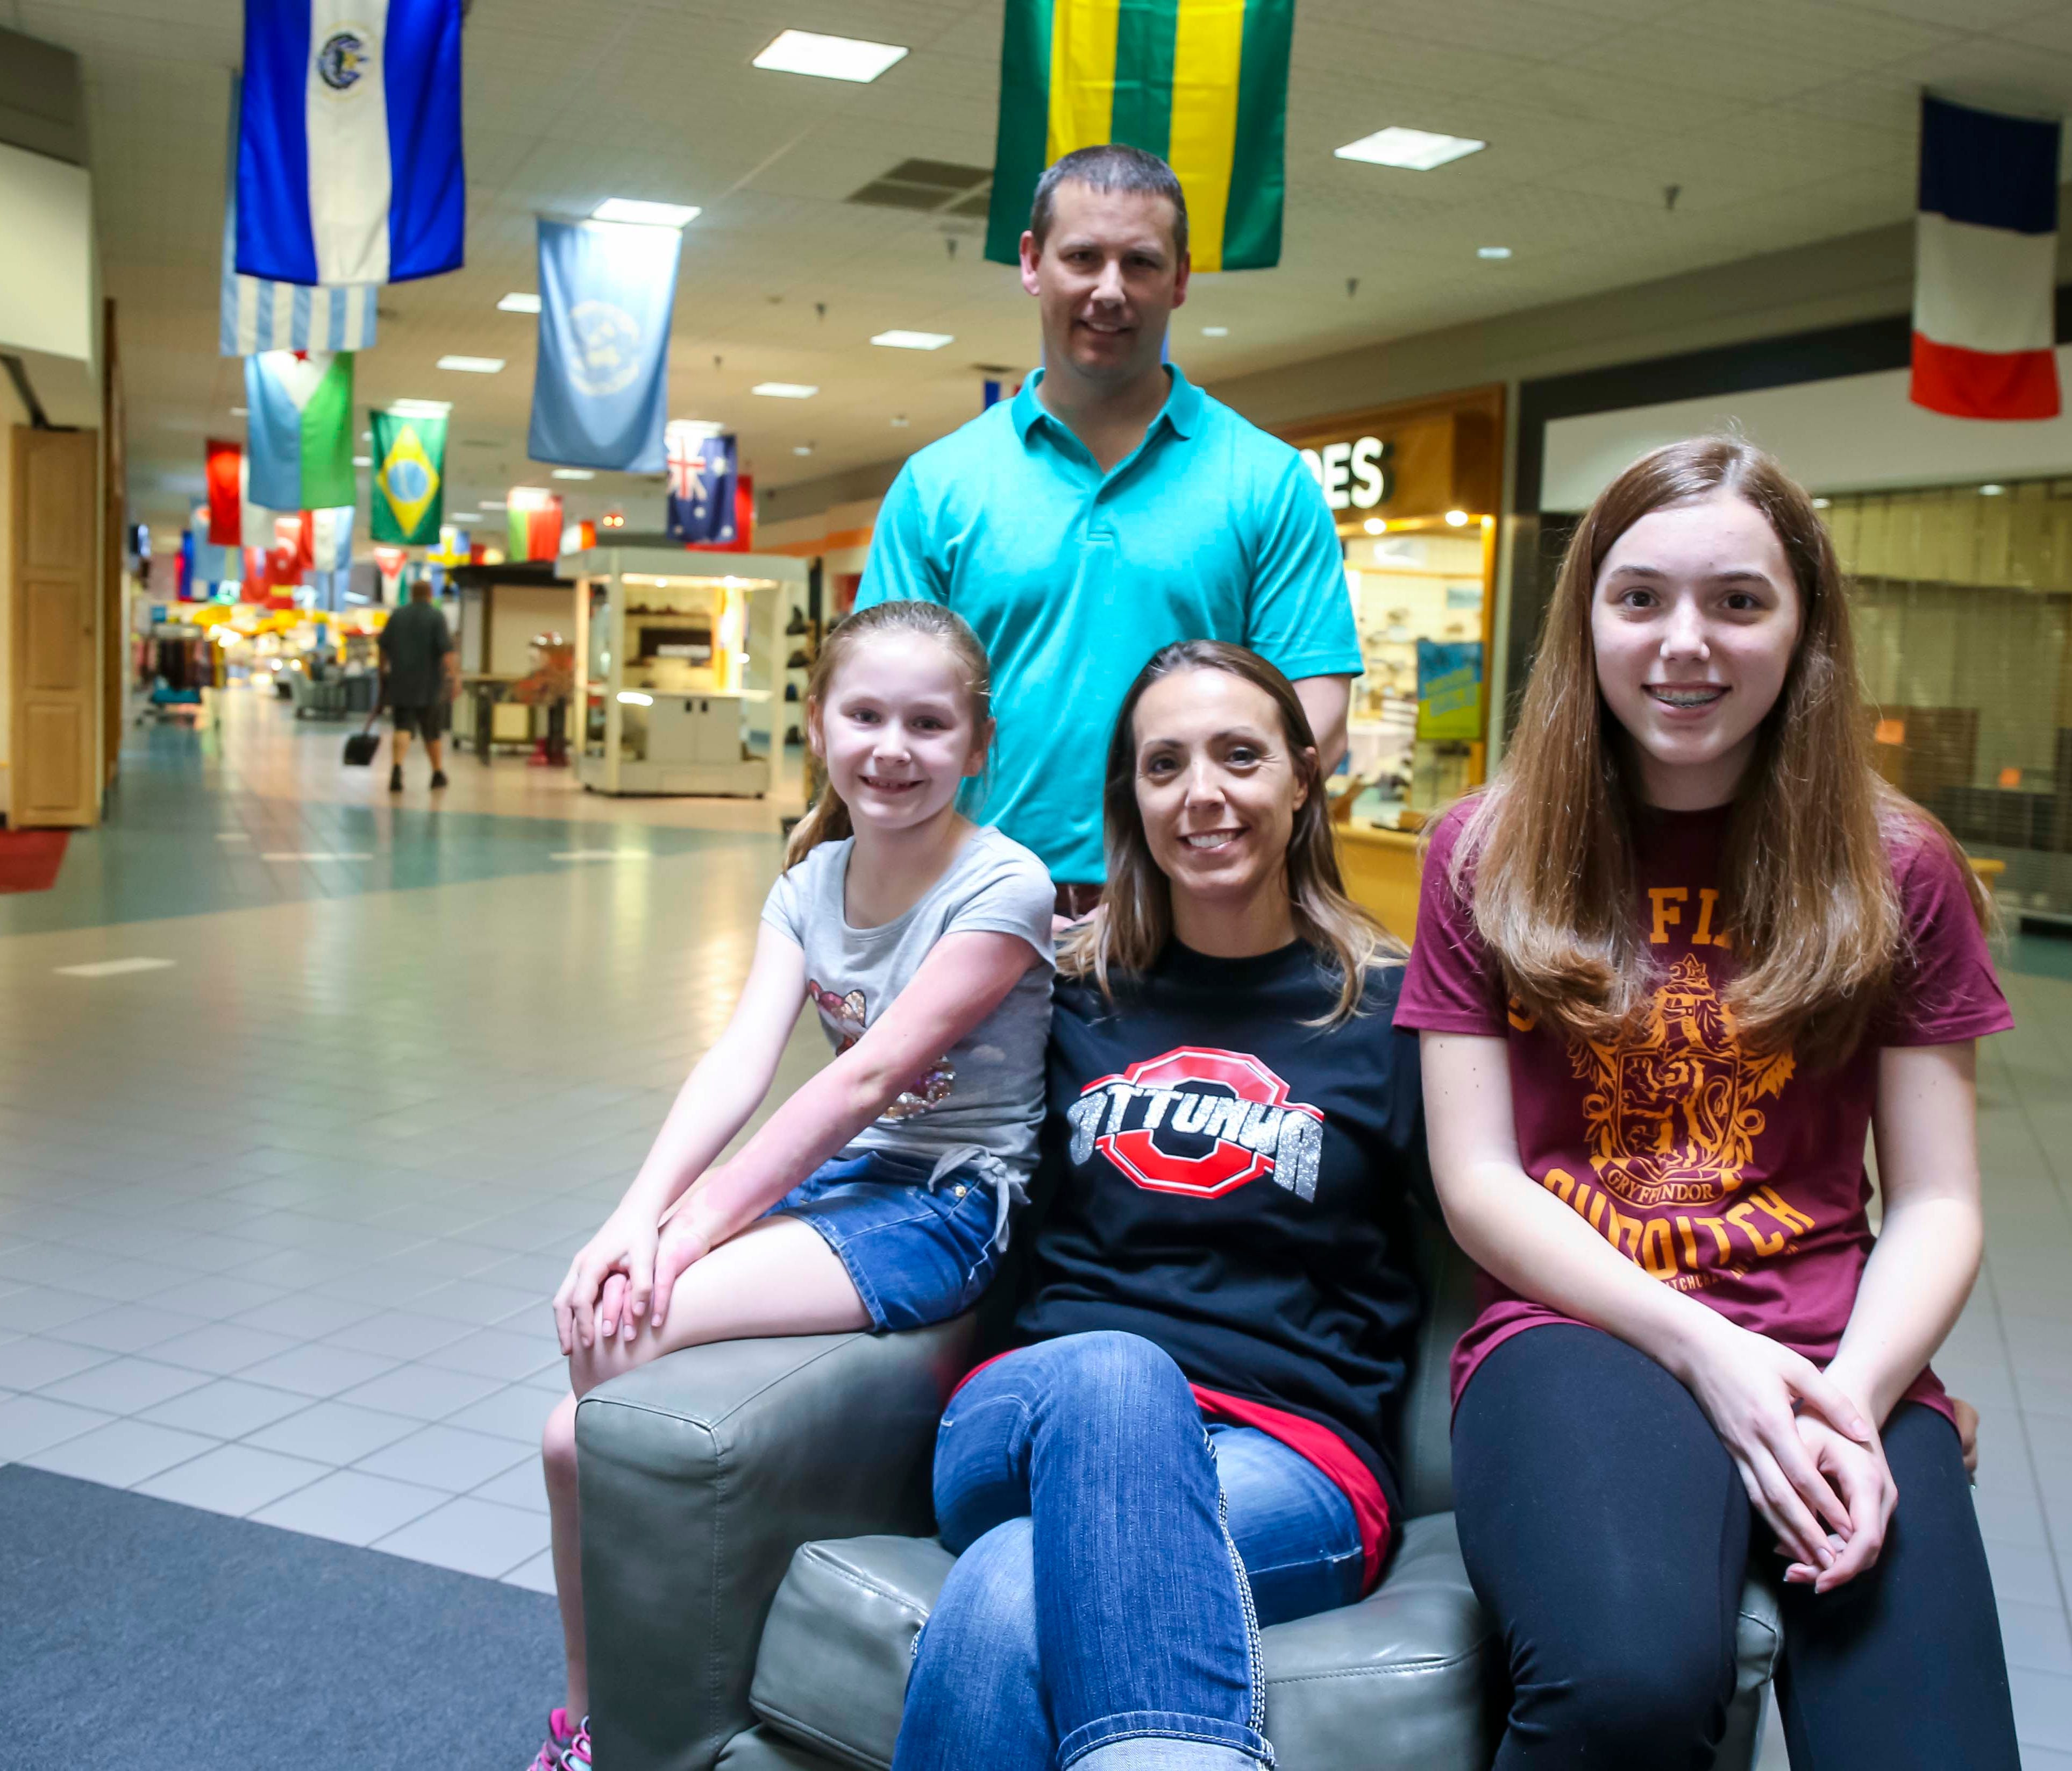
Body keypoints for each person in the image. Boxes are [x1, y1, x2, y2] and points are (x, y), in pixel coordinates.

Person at [1395, 437, 2021, 1768]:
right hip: (1576, 1327)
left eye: (1738, 600)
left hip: (1836, 1346)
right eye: (1640, 598)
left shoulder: (1899, 866)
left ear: (1803, 627)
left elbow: (1939, 1200)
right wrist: (1708, 1352)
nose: (1686, 642)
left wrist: (1851, 1398)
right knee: (1624, 1689)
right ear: (1587, 620)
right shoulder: (1484, 851)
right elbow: (1479, 1182)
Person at [527, 601, 1056, 1771]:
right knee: (577, 1418)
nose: (893, 748)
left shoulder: (1004, 883)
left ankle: (626, 1714)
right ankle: (589, 1718)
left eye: (929, 723)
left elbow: (866, 1077)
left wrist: (687, 1236)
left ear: (977, 743)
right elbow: (739, 1061)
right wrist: (636, 1214)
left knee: (620, 1333)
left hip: (954, 1199)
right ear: (817, 723)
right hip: (856, 1174)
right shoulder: (811, 877)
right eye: (865, 715)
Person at [894, 642, 1428, 1771]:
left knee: (1005, 1589)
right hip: (1036, 1409)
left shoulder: (1391, 1012)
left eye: (1239, 755)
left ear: (1303, 778)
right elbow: (893, 1129)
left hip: (1295, 1449)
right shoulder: (1059, 990)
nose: (1202, 792)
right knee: (1116, 1369)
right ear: (1131, 799)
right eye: (1165, 764)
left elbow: (1512, 1202)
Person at [859, 144, 1362, 916]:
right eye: (1083, 257)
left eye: (1140, 263)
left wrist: (1211, 841)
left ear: (1180, 278)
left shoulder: (1267, 481)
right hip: (971, 901)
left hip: (1197, 909)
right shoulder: (937, 486)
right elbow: (877, 702)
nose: (1109, 290)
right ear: (1032, 262)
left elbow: (1314, 711)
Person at [377, 579, 458, 791]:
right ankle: (437, 773)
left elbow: (383, 648)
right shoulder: (436, 616)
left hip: (401, 681)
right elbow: (447, 652)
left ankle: (397, 768)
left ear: (412, 595)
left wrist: (382, 673)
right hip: (429, 683)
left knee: (402, 727)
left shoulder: (397, 616)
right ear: (430, 594)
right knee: (432, 731)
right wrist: (454, 677)